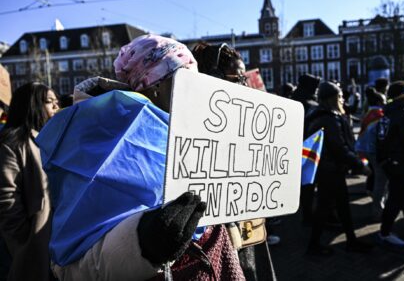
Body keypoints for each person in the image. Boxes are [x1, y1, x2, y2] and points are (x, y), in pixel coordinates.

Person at [37, 35, 246, 281]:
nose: (196, 93)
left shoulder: (180, 130)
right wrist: (142, 244)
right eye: (187, 81)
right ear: (154, 84)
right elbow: (71, 265)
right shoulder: (98, 139)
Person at [191, 41, 278, 281]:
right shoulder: (192, 125)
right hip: (218, 233)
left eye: (244, 78)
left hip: (248, 227)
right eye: (237, 79)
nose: (244, 85)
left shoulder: (244, 121)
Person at [0, 82, 59, 281]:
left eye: (56, 102)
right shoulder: (13, 144)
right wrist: (23, 243)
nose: (56, 108)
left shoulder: (53, 140)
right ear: (32, 105)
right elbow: (6, 200)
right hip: (34, 249)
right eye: (50, 102)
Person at [305, 81, 373, 256]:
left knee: (338, 206)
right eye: (340, 96)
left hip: (328, 169)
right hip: (331, 171)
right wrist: (359, 165)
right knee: (325, 208)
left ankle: (350, 240)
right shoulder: (329, 119)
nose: (342, 99)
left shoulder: (319, 115)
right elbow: (339, 147)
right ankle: (314, 245)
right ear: (332, 98)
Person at [376, 81, 404, 246]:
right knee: (395, 199)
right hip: (402, 164)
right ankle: (385, 232)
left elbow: (380, 142)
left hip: (390, 164)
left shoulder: (386, 114)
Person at [290, 74, 321, 226]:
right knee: (308, 185)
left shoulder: (291, 100)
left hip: (294, 147)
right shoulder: (311, 104)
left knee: (302, 185)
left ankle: (304, 213)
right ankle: (308, 215)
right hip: (309, 148)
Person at [355, 87, 387, 220]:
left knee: (376, 179)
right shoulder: (380, 115)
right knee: (381, 181)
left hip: (366, 150)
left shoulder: (367, 114)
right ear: (380, 102)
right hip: (375, 152)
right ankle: (378, 211)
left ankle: (377, 205)